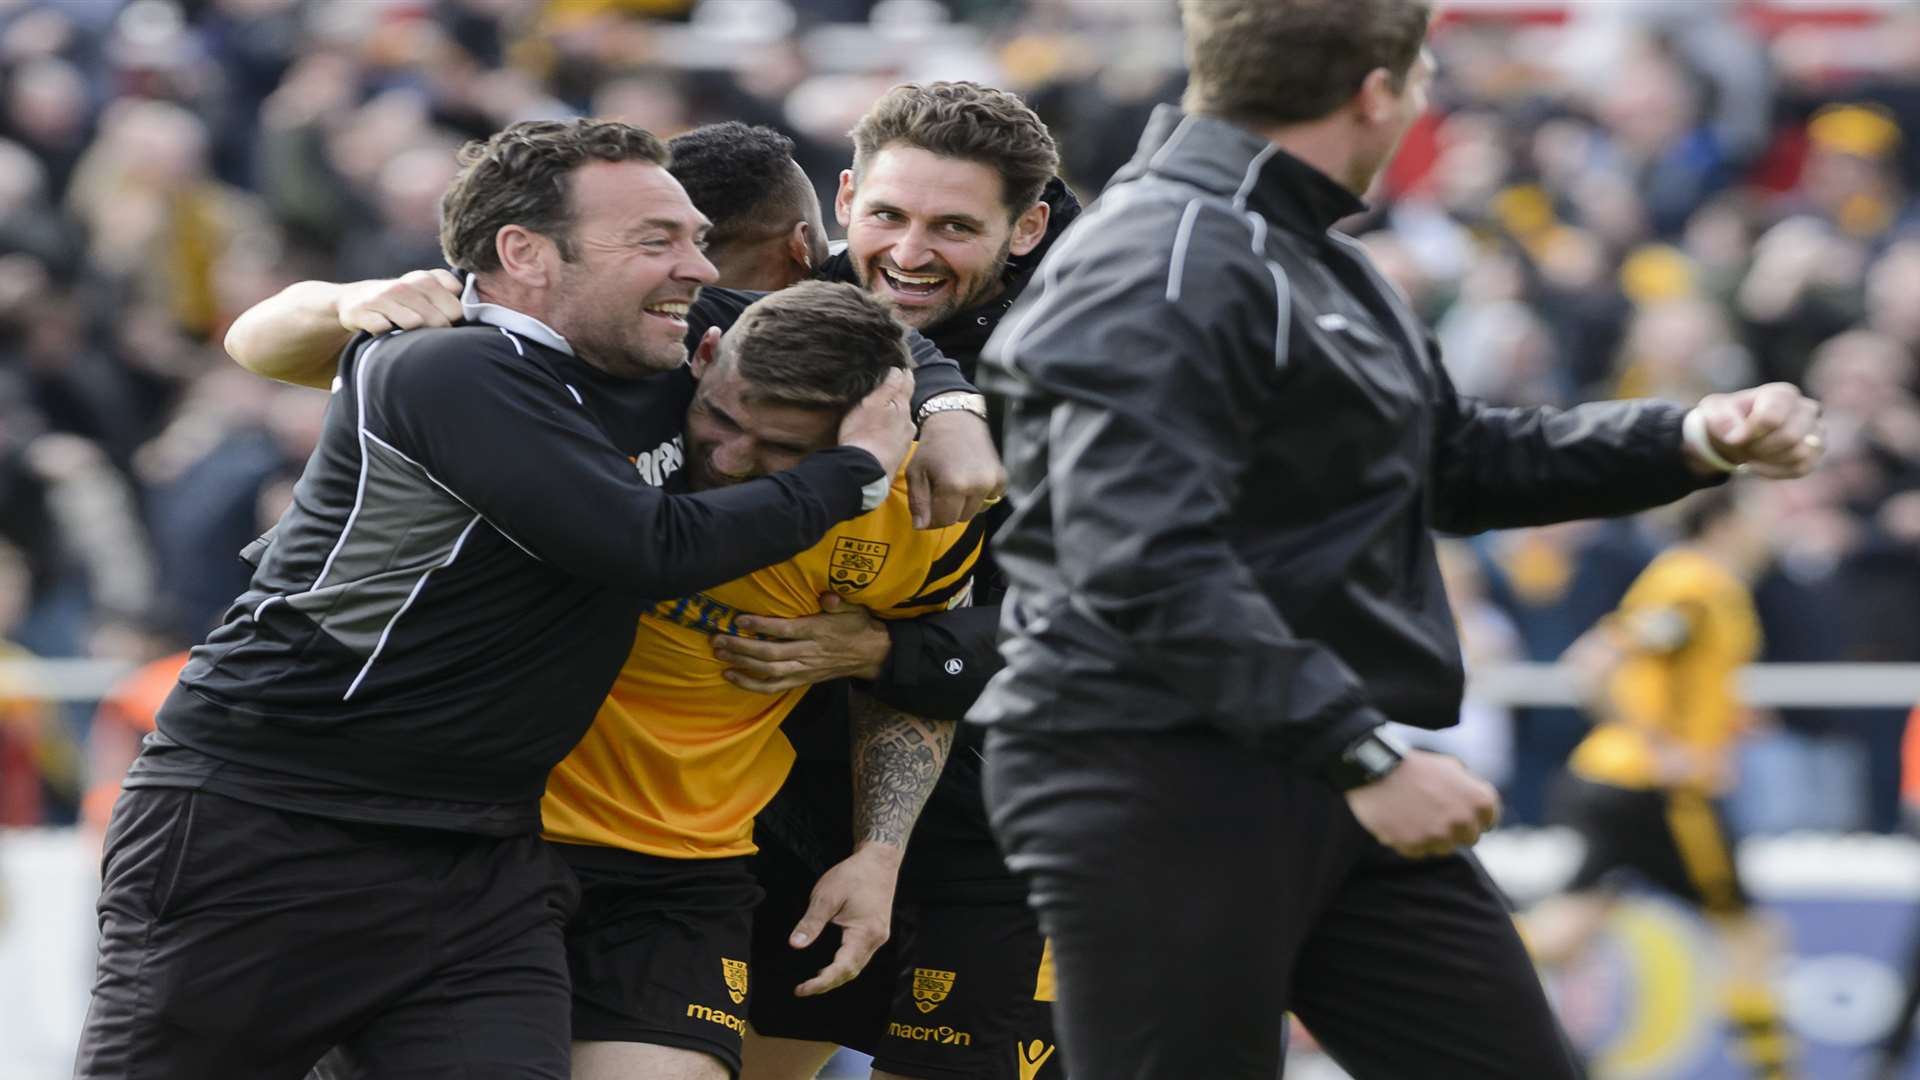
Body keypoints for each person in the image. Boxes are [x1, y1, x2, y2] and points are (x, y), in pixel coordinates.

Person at [969, 3, 1827, 1077]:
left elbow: (1453, 464)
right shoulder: (1163, 253)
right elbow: (1131, 557)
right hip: (1157, 766)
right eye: (1420, 79)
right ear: (1380, 90)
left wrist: (1692, 435)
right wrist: (1358, 750)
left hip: (1320, 764)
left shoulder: (1312, 257)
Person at [75, 118, 917, 1080]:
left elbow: (848, 333)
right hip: (276, 819)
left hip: (484, 850)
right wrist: (850, 473)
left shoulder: (657, 352)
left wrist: (947, 404)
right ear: (523, 253)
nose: (698, 266)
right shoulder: (450, 364)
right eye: (658, 241)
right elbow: (643, 548)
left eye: (694, 238)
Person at [693, 88, 1075, 1080]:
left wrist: (886, 647)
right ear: (846, 195)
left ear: (1026, 226)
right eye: (889, 217)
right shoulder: (756, 323)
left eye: (955, 226)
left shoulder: (1100, 380)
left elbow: (1121, 630)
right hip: (757, 810)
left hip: (995, 826)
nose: (910, 252)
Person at [1526, 486, 1795, 1080]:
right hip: (1660, 791)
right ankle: (1777, 1073)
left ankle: (1414, 965)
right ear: (1723, 522)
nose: (1778, 524)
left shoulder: (1700, 583)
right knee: (1749, 930)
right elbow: (1597, 659)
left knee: (1568, 927)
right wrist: (1663, 746)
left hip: (1614, 780)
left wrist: (1717, 721)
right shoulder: (1697, 585)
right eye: (1765, 512)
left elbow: (1665, 674)